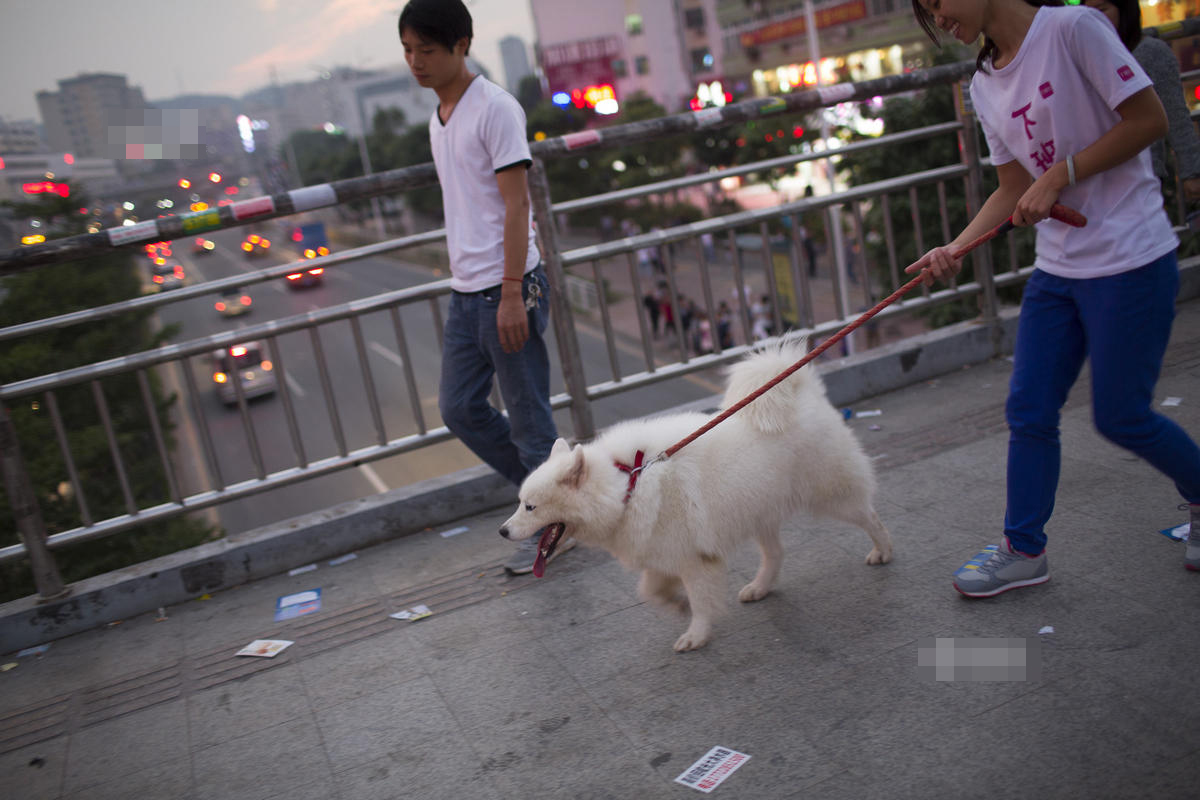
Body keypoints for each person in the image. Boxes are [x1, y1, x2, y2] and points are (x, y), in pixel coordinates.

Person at [908, 0, 1200, 595]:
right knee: (1029, 409)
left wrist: (1062, 172)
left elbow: (1149, 120)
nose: (936, 17)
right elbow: (1012, 187)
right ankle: (1023, 549)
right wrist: (955, 248)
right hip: (1058, 270)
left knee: (1121, 416)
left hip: (1131, 258)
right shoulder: (984, 83)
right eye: (925, 10)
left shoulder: (1074, 28)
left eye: (937, 1)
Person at [399, 0, 574, 575]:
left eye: (427, 49)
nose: (416, 61)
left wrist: (508, 292)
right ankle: (555, 501)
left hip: (510, 285)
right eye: (408, 49)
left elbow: (515, 203)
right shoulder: (438, 119)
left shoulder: (495, 108)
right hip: (464, 289)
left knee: (529, 422)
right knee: (459, 407)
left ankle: (553, 523)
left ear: (461, 45)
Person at [1080, 0, 1200, 202]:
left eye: (1102, 10)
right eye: (1087, 12)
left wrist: (1192, 172)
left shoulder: (1149, 51)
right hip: (1094, 181)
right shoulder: (1081, 57)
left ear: (1124, 12)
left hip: (1144, 179)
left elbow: (1176, 116)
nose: (1094, 19)